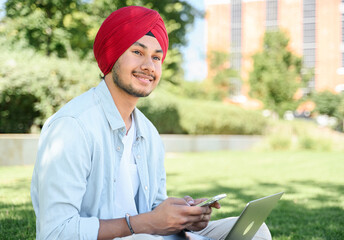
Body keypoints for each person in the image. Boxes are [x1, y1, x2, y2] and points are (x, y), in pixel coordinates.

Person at [30, 6, 271, 240]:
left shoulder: (148, 132)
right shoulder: (73, 126)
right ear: (112, 53)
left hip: (147, 234)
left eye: (157, 57)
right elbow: (56, 232)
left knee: (258, 232)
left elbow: (153, 207)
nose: (149, 66)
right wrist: (147, 224)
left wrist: (183, 214)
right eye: (138, 52)